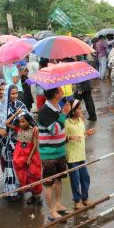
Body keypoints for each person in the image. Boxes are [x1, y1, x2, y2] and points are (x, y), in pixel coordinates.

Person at [37, 87, 71, 220]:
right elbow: (54, 130)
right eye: (60, 90)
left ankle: (58, 204)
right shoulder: (44, 111)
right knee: (48, 183)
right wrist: (64, 114)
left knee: (58, 180)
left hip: (60, 150)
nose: (63, 91)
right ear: (56, 94)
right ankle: (51, 210)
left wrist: (64, 112)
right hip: (49, 153)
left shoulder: (57, 107)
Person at [0, 85, 29, 200]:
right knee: (10, 165)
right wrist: (7, 127)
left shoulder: (21, 105)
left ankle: (22, 187)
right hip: (7, 141)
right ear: (7, 93)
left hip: (20, 139)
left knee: (20, 164)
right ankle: (11, 191)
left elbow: (28, 120)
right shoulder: (0, 106)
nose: (15, 96)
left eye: (16, 93)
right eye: (12, 93)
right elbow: (0, 128)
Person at [7, 112, 42, 205]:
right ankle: (33, 195)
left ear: (29, 121)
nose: (21, 124)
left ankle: (36, 196)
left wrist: (30, 158)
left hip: (31, 156)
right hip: (20, 157)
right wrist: (16, 114)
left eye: (23, 121)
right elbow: (6, 123)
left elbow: (35, 145)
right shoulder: (18, 129)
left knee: (33, 175)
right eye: (20, 122)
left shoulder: (34, 130)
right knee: (24, 177)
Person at [65, 100, 95, 209]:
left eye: (80, 108)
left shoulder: (81, 121)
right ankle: (77, 202)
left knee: (85, 177)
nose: (80, 110)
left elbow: (81, 135)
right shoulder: (67, 122)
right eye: (78, 108)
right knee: (75, 179)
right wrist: (70, 137)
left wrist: (87, 133)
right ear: (72, 111)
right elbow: (62, 139)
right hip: (72, 156)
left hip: (81, 155)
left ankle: (85, 199)